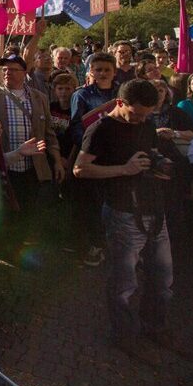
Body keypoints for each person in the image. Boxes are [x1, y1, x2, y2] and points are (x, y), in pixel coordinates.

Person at [73, 79, 176, 363]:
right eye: (137, 114)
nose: (142, 120)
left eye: (147, 115)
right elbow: (80, 169)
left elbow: (149, 152)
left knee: (162, 278)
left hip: (154, 209)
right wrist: (124, 169)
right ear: (120, 103)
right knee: (124, 283)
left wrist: (157, 165)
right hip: (123, 213)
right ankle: (124, 335)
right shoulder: (101, 129)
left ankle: (153, 326)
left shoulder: (146, 123)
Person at [0, 55, 63, 258]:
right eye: (4, 70)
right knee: (1, 214)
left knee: (26, 211)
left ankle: (16, 249)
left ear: (24, 72)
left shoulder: (39, 98)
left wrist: (55, 158)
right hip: (3, 166)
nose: (7, 73)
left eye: (13, 69)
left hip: (32, 167)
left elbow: (48, 132)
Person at [70, 52, 119, 267]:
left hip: (119, 157)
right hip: (91, 158)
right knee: (93, 205)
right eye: (98, 69)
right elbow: (76, 126)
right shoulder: (81, 95)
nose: (102, 73)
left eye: (106, 69)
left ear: (114, 72)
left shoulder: (122, 93)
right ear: (91, 71)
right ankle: (96, 244)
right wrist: (92, 149)